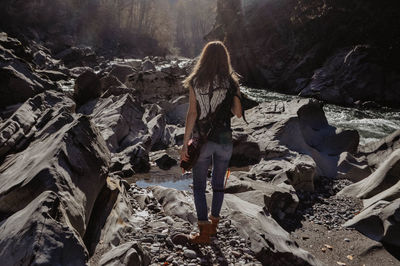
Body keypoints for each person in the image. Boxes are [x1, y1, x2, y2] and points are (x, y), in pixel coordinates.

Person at [180, 41, 243, 244]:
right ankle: (214, 226)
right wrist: (237, 93)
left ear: (204, 58)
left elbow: (192, 113)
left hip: (203, 139)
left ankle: (204, 232)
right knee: (218, 186)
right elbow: (238, 114)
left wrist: (184, 145)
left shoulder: (195, 80)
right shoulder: (231, 82)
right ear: (225, 59)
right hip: (225, 139)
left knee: (199, 187)